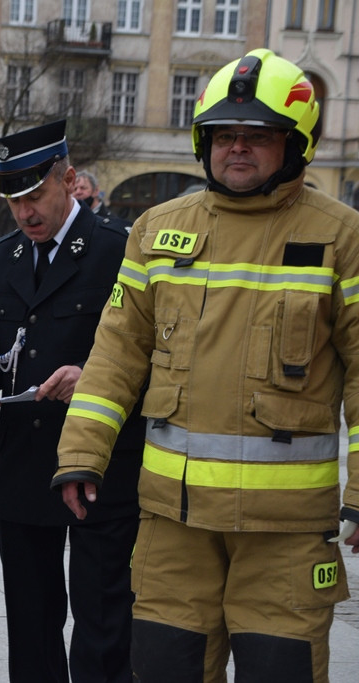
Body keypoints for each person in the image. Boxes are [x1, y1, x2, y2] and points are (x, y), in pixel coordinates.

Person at [52, 48, 359, 682]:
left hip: (285, 532)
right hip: (173, 524)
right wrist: (81, 455)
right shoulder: (159, 229)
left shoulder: (342, 236)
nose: (237, 148)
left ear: (296, 144)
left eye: (257, 136)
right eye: (224, 135)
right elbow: (115, 356)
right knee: (166, 670)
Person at [0, 119, 144, 682]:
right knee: (31, 617)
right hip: (22, 464)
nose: (24, 213)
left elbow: (151, 355)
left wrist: (90, 375)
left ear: (68, 179)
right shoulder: (0, 260)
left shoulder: (118, 251)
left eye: (35, 196)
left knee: (103, 615)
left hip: (100, 466)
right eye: (13, 201)